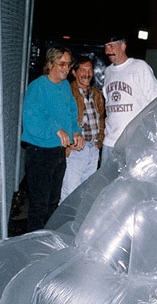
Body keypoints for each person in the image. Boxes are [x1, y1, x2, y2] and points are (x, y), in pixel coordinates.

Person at [21, 46, 85, 232]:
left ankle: (47, 242)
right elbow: (32, 117)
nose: (67, 68)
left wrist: (75, 132)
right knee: (39, 205)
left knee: (52, 203)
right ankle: (33, 247)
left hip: (58, 151)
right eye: (62, 64)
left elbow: (71, 113)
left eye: (69, 64)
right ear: (50, 64)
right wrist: (56, 129)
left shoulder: (65, 86)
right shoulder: (38, 87)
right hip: (40, 153)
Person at [102, 35, 157, 164]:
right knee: (106, 183)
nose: (107, 51)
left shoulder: (140, 67)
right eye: (106, 47)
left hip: (132, 143)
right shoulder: (107, 72)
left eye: (111, 46)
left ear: (123, 46)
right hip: (110, 141)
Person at [60, 56, 105, 203]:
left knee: (86, 193)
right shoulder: (67, 93)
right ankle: (62, 225)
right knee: (69, 192)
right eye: (83, 70)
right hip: (76, 150)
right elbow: (61, 119)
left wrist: (100, 140)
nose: (87, 74)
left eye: (90, 70)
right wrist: (68, 143)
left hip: (93, 149)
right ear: (74, 72)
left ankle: (78, 225)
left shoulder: (97, 94)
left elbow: (102, 119)